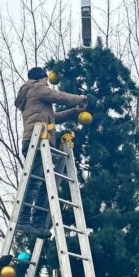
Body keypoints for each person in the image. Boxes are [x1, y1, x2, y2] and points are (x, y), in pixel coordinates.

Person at [14, 66, 87, 237]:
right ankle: (24, 220)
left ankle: (38, 222)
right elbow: (58, 96)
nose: (47, 82)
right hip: (37, 141)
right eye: (46, 79)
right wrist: (80, 98)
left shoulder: (35, 97)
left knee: (45, 184)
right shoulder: (36, 87)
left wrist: (75, 112)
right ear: (41, 78)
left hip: (40, 141)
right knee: (35, 182)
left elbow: (55, 118)